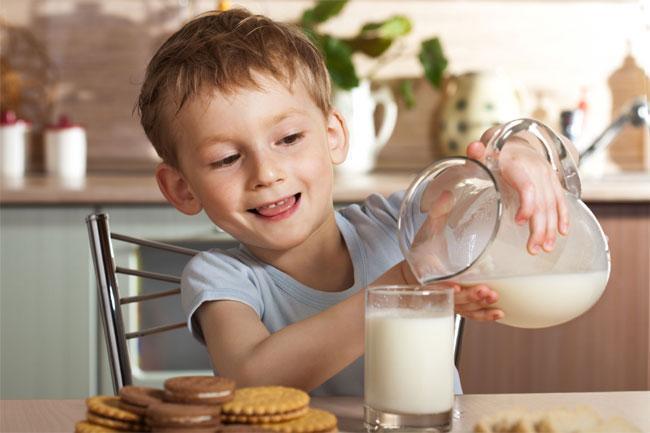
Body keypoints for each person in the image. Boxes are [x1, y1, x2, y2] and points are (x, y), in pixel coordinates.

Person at [137, 8, 574, 396]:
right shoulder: (222, 279)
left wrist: (523, 154)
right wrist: (404, 283)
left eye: (289, 139)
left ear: (333, 136)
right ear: (183, 189)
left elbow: (556, 170)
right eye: (227, 159)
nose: (266, 174)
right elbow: (250, 379)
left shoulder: (397, 222)